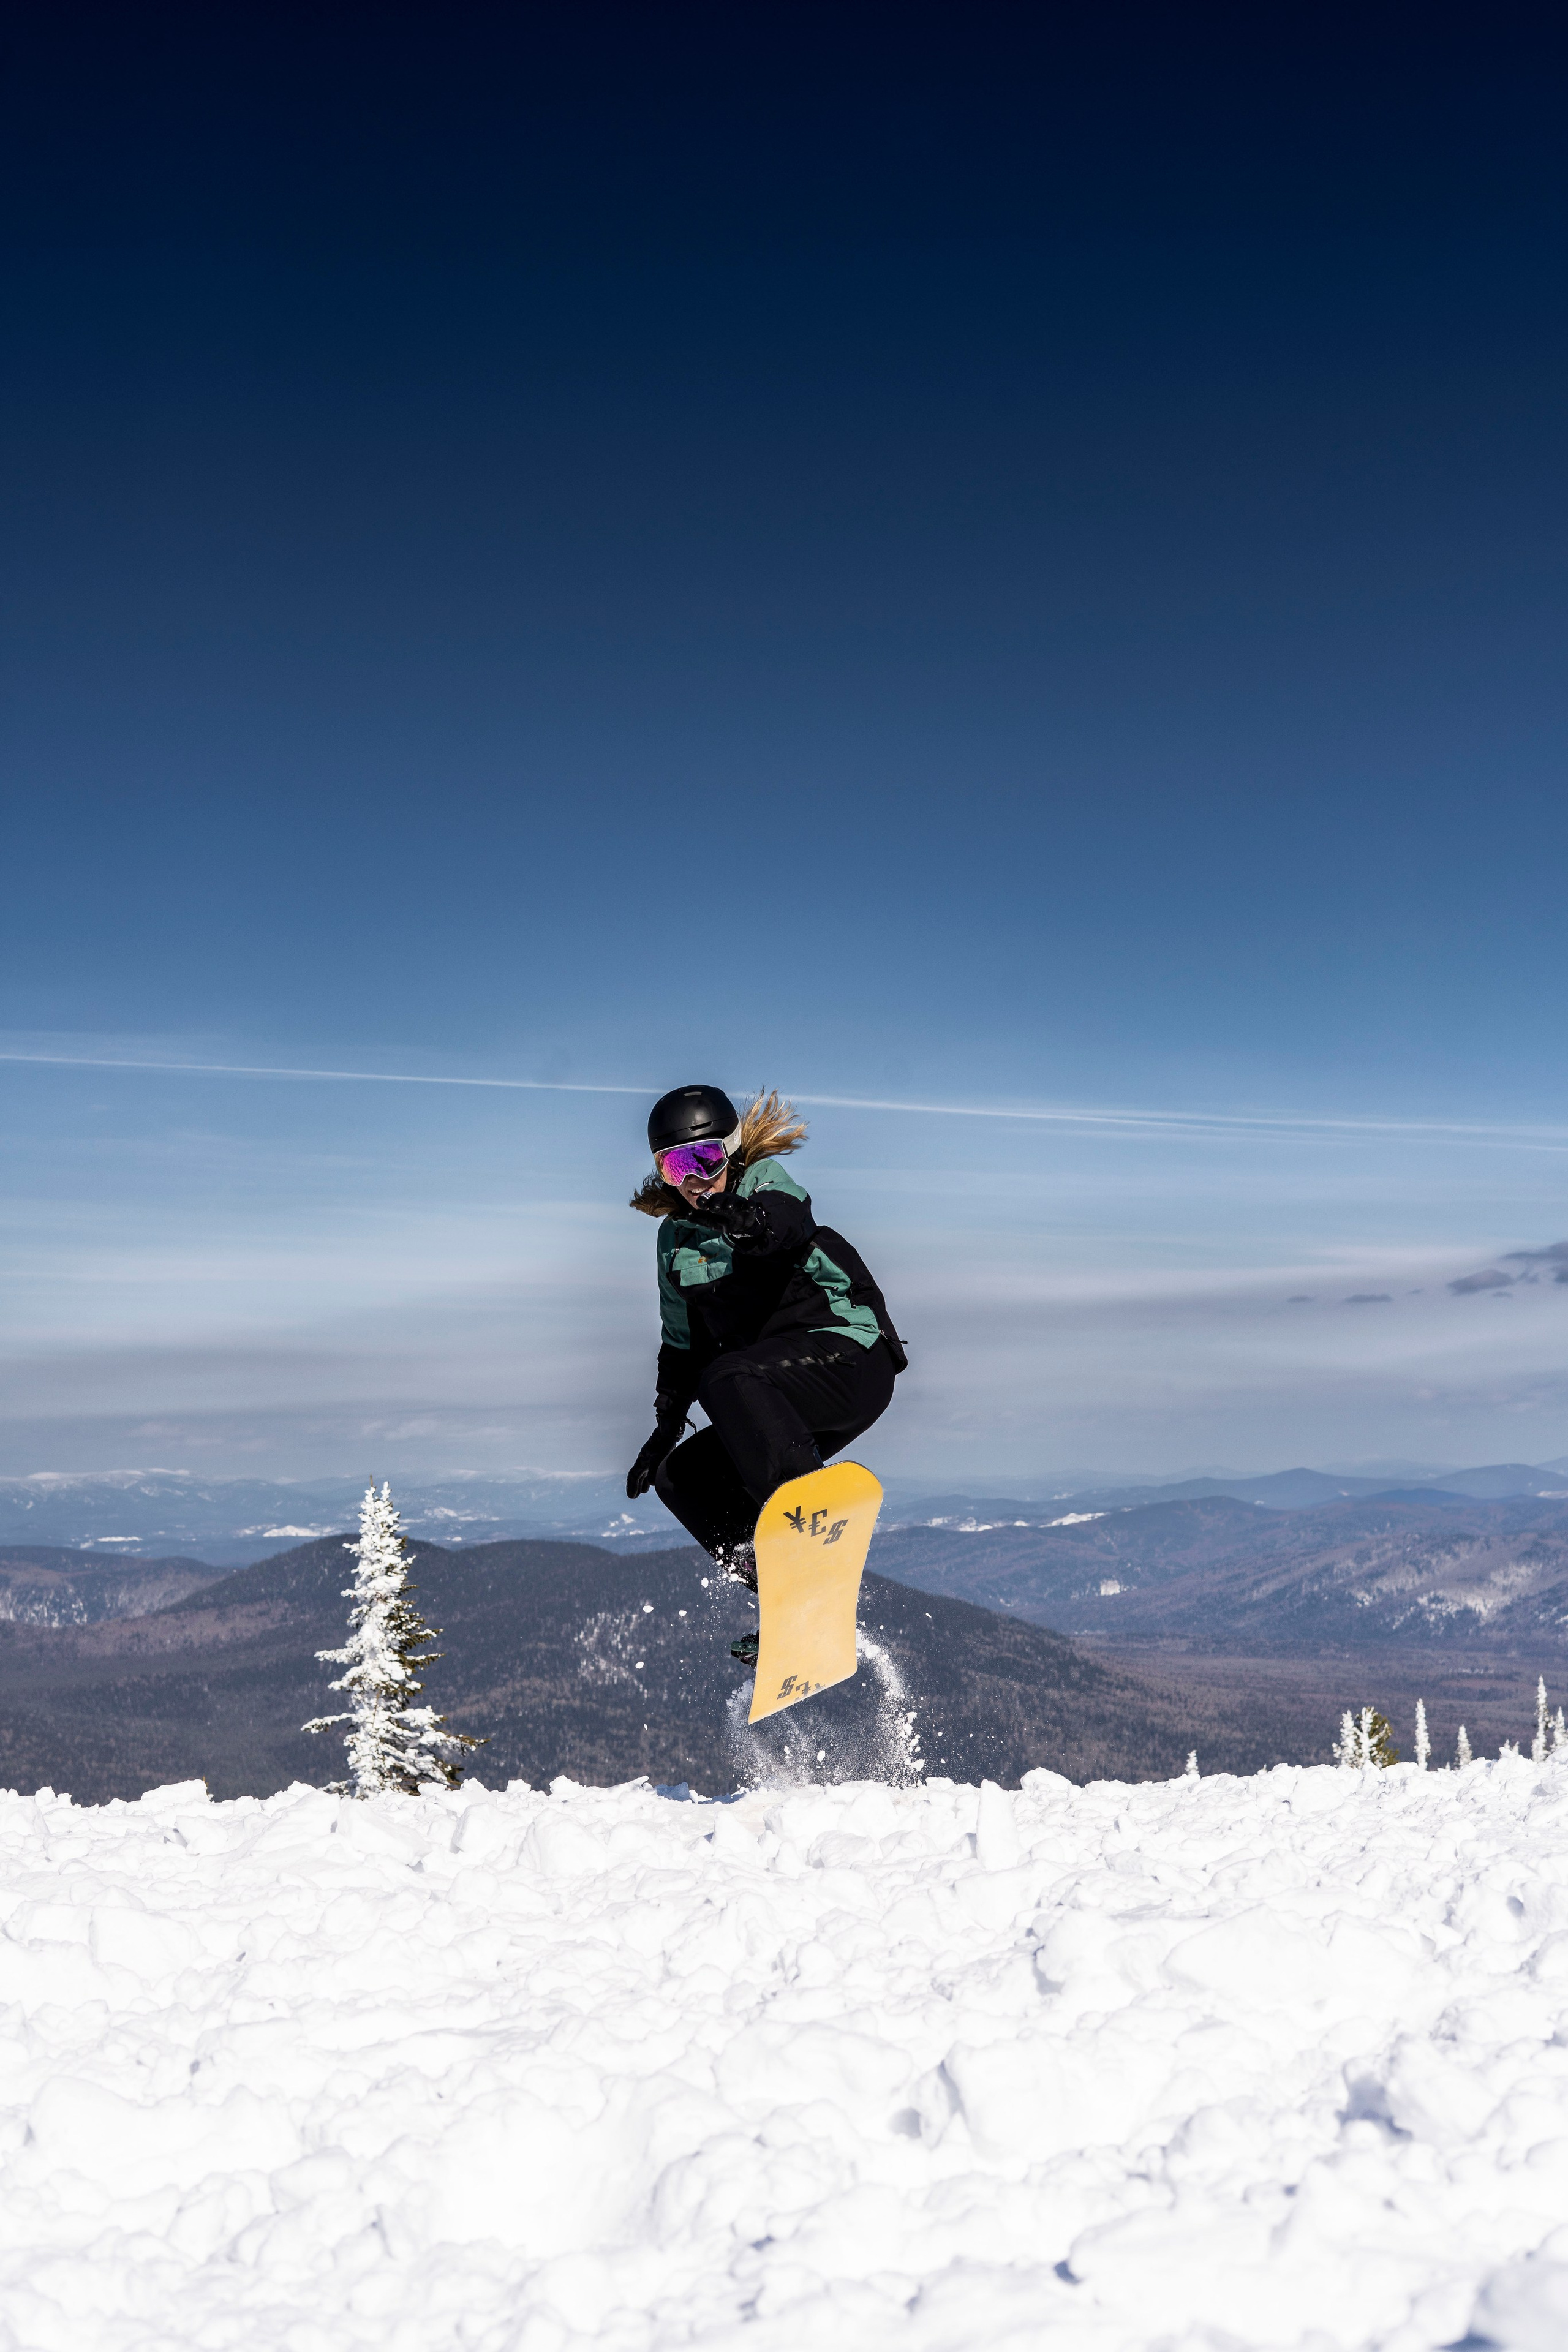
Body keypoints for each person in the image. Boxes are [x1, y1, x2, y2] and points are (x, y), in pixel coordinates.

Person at [625, 1085, 904, 1653]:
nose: (696, 1180)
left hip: (851, 1357)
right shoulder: (674, 1242)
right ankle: (788, 1593)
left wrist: (745, 1220)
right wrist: (664, 1429)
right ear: (663, 1172)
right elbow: (682, 1344)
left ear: (730, 1151)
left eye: (704, 1160)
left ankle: (811, 1546)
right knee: (683, 1477)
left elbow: (783, 1223)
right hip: (776, 1392)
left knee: (728, 1377)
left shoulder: (764, 1185)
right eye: (677, 1167)